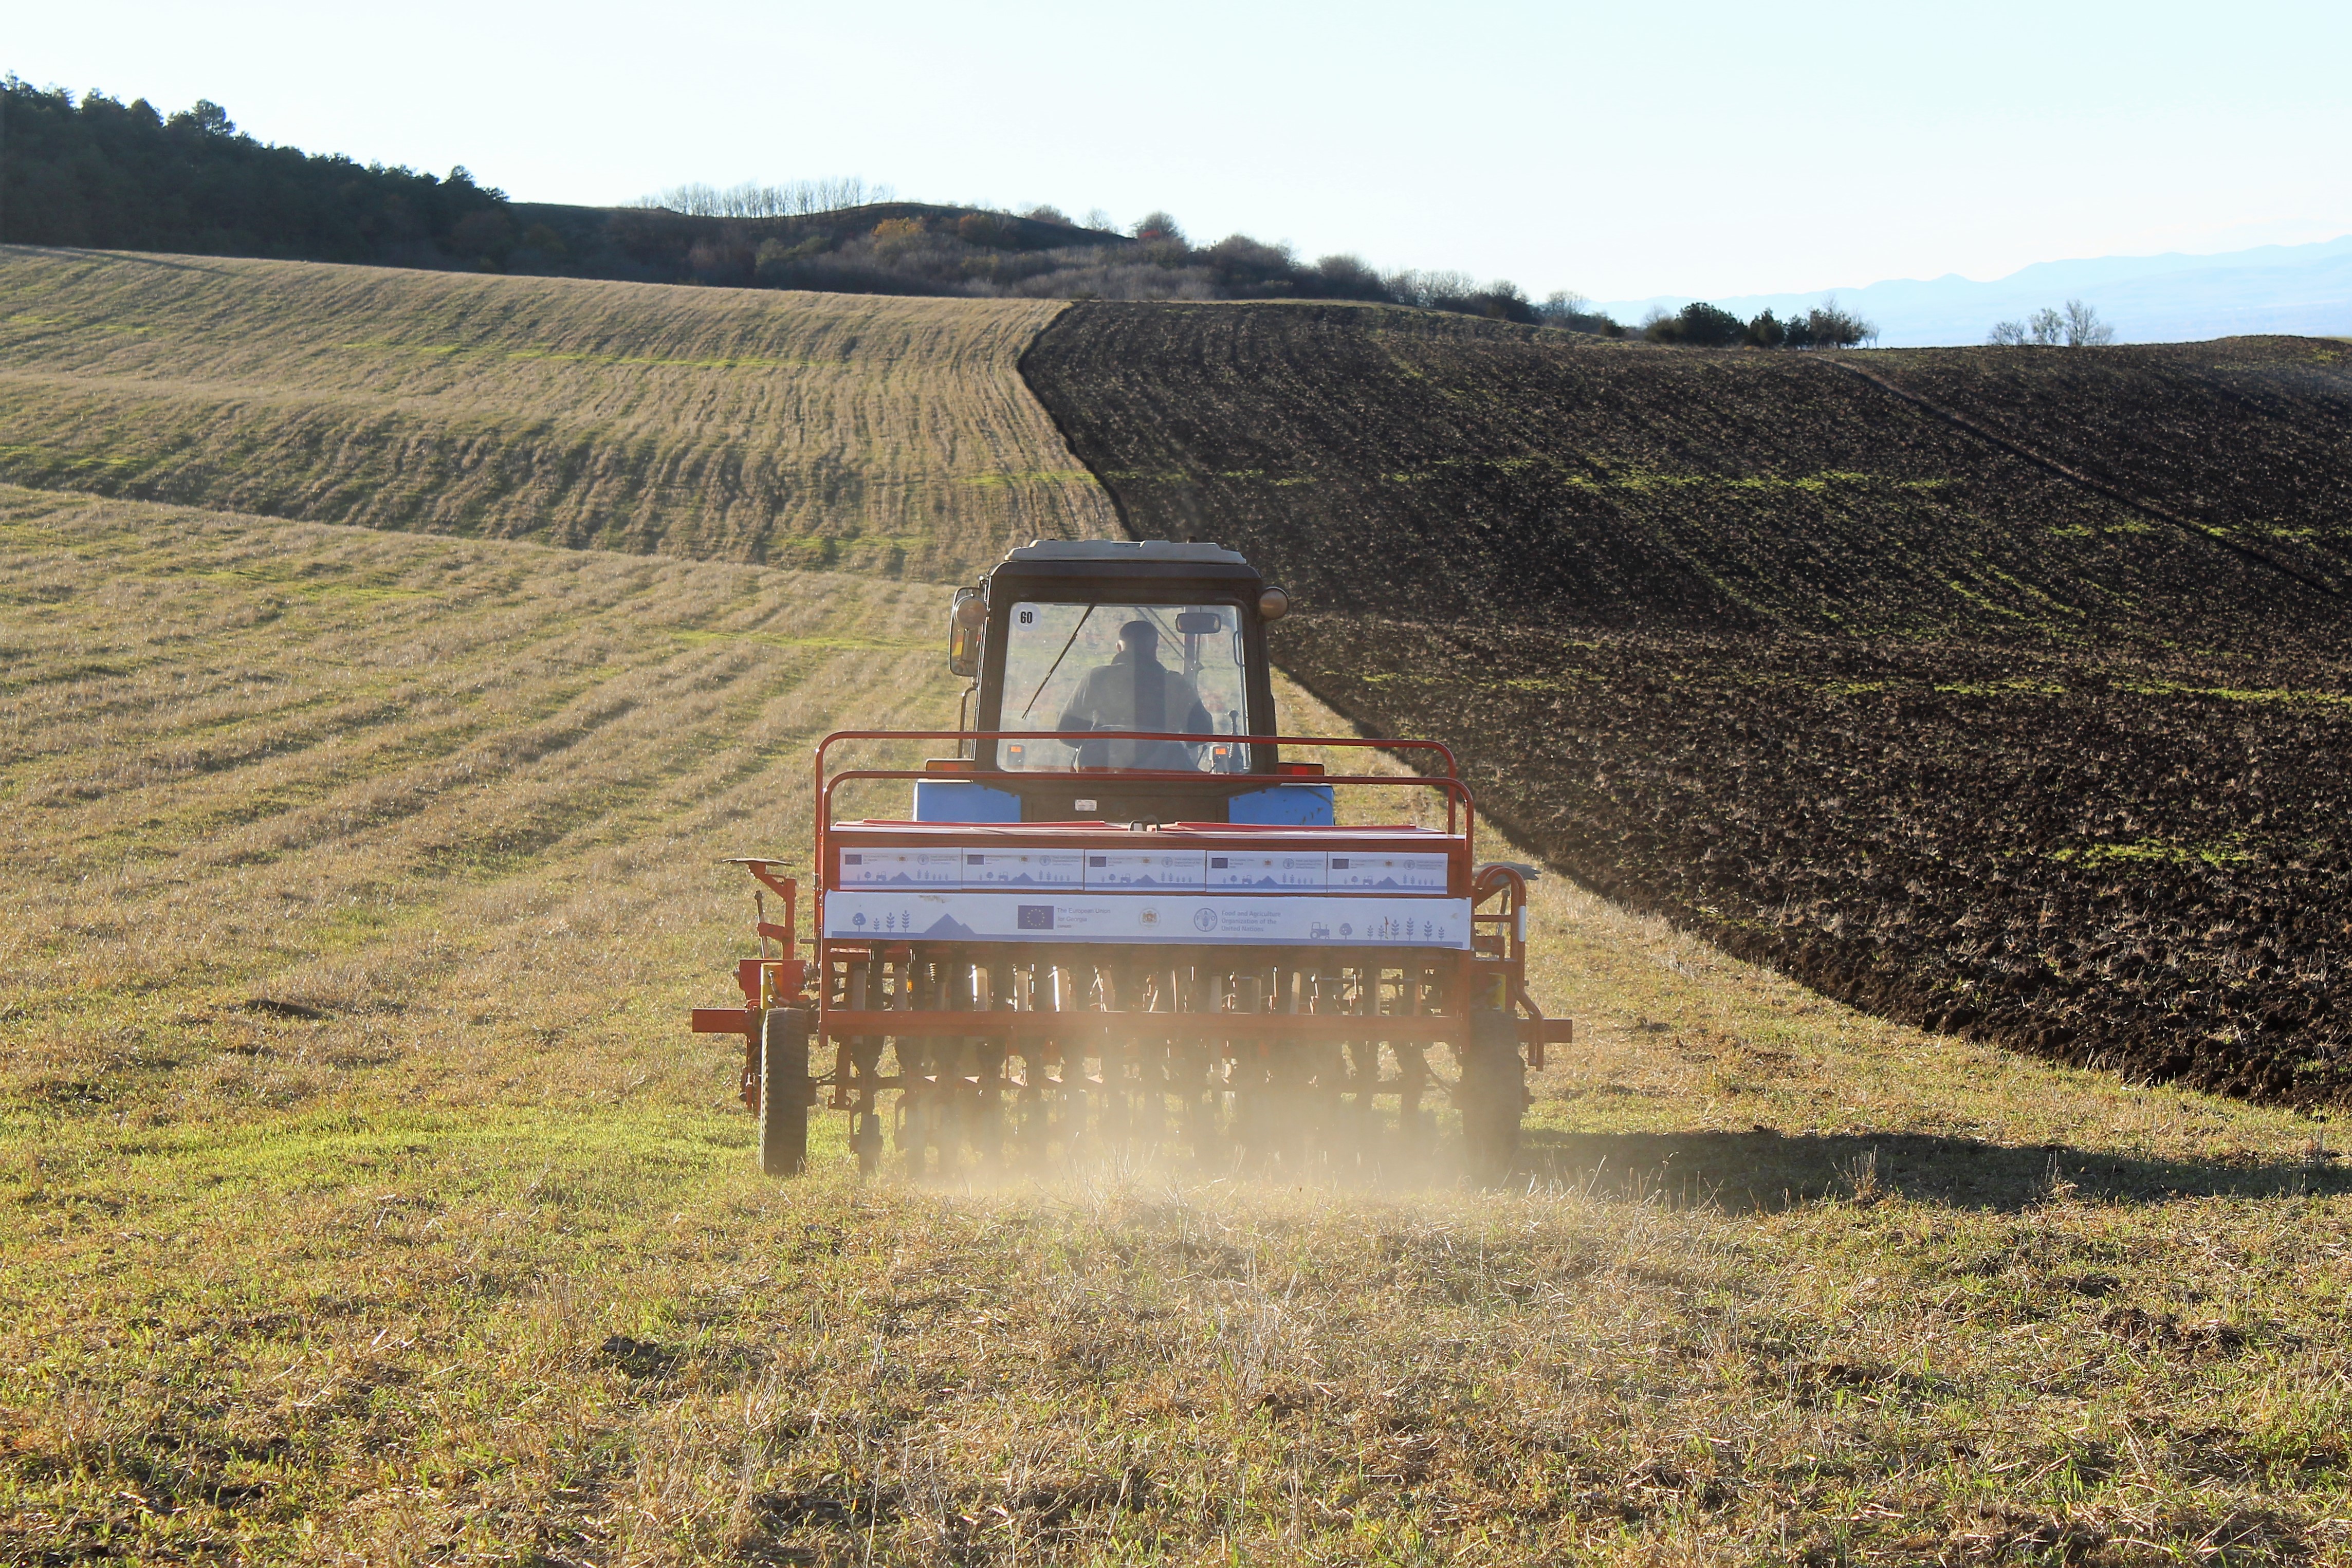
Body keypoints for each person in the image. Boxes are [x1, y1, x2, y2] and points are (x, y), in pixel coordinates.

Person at [1056, 620, 1211, 769]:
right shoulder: (1176, 683)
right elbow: (1202, 731)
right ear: (1154, 650)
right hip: (1165, 782)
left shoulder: (1097, 677)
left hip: (1100, 780)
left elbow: (1066, 731)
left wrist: (1102, 743)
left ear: (1119, 648)